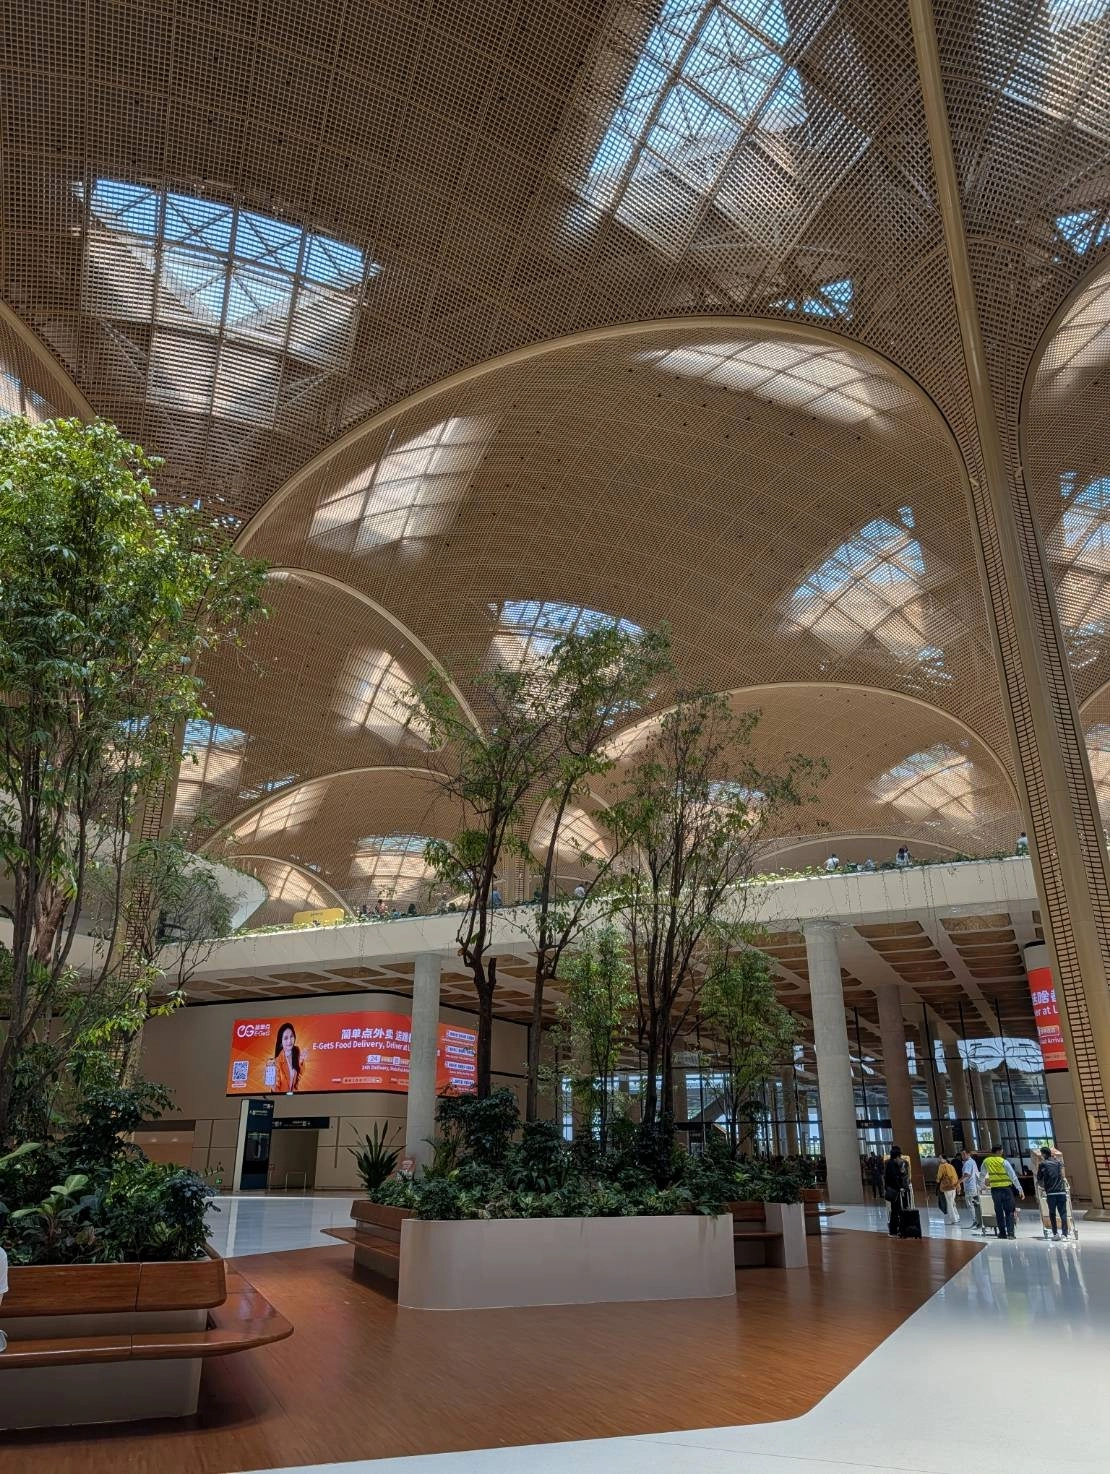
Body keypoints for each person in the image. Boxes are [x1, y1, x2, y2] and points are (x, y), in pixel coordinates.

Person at [980, 1143, 1024, 1238]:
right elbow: (1013, 1176)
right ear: (999, 1151)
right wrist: (1020, 1189)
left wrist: (981, 1186)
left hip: (995, 1190)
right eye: (1002, 1150)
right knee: (1009, 1211)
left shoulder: (986, 1161)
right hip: (1006, 1189)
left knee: (999, 1212)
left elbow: (982, 1175)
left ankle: (1002, 1233)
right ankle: (1011, 1234)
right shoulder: (1004, 1161)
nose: (1002, 1152)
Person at [1036, 1145, 1069, 1239]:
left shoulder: (1043, 1164)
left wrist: (1042, 1185)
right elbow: (1062, 1175)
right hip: (1061, 1191)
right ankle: (1064, 1234)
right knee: (1063, 1213)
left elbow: (1039, 1177)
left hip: (1051, 1193)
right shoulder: (1058, 1163)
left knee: (1052, 1213)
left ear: (1043, 1154)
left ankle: (1055, 1234)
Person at [884, 1145, 910, 1236]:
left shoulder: (892, 1164)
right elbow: (894, 1178)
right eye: (900, 1156)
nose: (900, 1158)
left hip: (895, 1190)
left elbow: (898, 1176)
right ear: (897, 1156)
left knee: (896, 1210)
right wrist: (900, 1188)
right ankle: (893, 1231)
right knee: (895, 1210)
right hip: (895, 1191)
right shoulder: (891, 1164)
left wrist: (902, 1171)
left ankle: (896, 1229)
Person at [272, 1022, 302, 1093]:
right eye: (285, 1038)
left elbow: (299, 1074)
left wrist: (301, 1061)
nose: (289, 1041)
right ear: (281, 1042)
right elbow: (275, 1088)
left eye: (291, 1036)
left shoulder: (296, 1051)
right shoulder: (277, 1062)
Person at [960, 1148, 982, 1229]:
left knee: (971, 1204)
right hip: (974, 1186)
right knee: (975, 1204)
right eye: (961, 1154)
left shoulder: (968, 1163)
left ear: (968, 1154)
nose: (962, 1156)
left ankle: (976, 1220)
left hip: (970, 1187)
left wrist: (957, 1183)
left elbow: (967, 1175)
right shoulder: (972, 1161)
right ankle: (978, 1221)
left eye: (964, 1154)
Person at [936, 1153, 960, 1225]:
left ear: (944, 1159)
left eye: (940, 1158)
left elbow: (939, 1177)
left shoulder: (942, 1166)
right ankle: (957, 1217)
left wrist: (937, 1180)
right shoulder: (951, 1166)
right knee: (952, 1202)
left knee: (949, 1203)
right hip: (953, 1186)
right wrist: (958, 1186)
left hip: (947, 1187)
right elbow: (956, 1176)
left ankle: (953, 1219)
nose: (939, 1159)